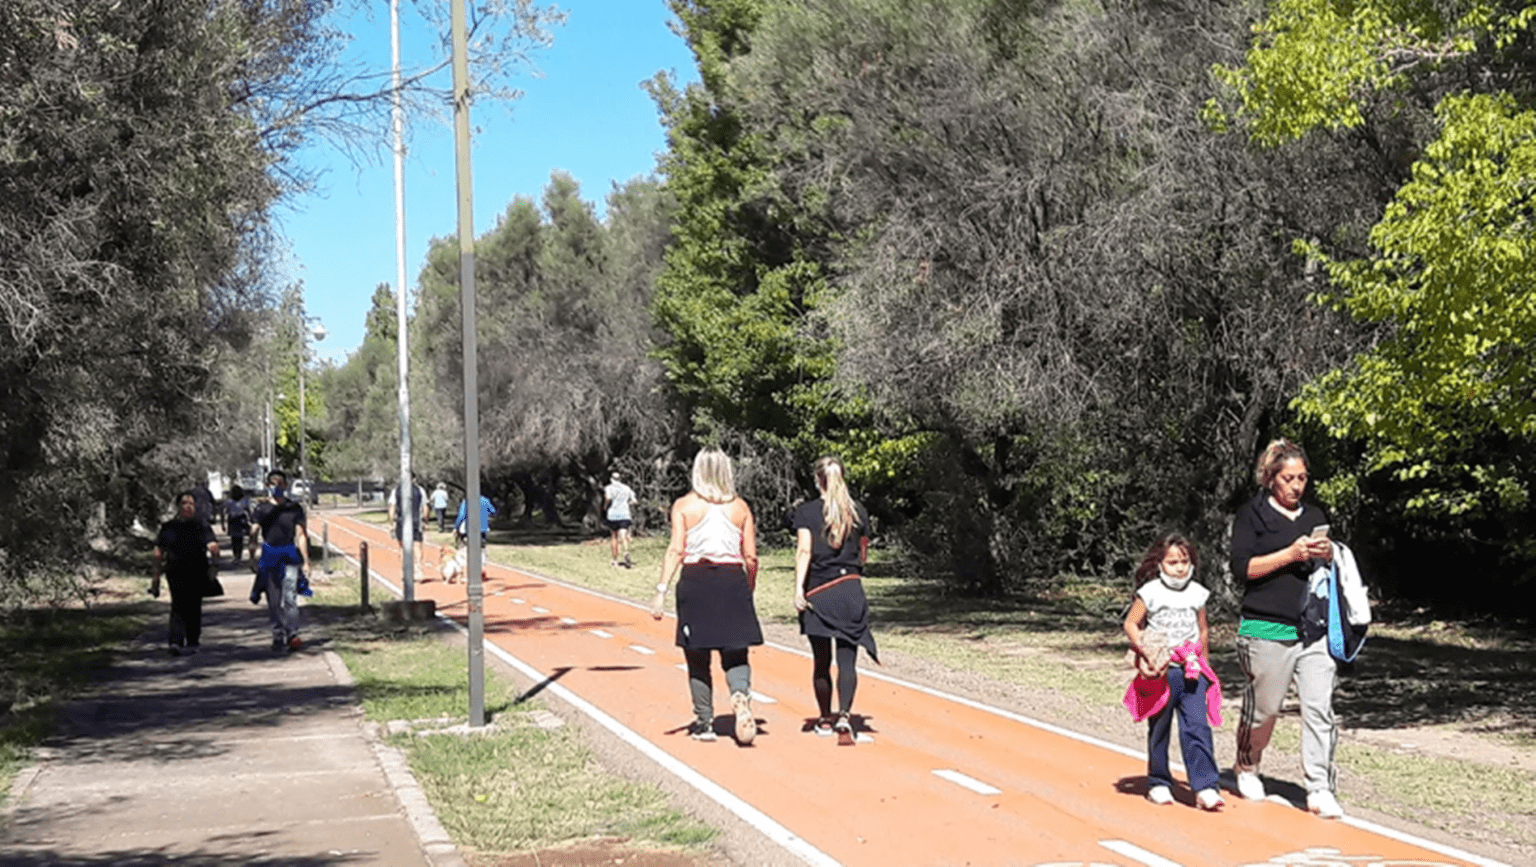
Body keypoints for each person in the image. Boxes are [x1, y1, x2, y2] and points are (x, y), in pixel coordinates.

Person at [1229, 438, 1342, 818]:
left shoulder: (1314, 516)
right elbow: (1244, 569)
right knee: (1265, 708)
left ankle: (1319, 785)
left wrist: (1327, 553)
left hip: (1313, 628)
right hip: (1266, 626)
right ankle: (1247, 765)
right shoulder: (1252, 515)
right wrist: (1289, 555)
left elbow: (1326, 566)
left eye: (1303, 478)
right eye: (1289, 478)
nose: (1297, 486)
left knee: (1318, 707)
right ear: (1270, 478)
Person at [651, 449, 762, 744]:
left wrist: (661, 589)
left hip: (696, 581)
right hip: (731, 580)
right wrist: (748, 586)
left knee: (697, 655)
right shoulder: (740, 508)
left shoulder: (684, 506)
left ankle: (704, 722)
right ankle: (739, 694)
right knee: (736, 651)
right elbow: (750, 556)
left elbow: (676, 549)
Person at [1122, 534, 1225, 810]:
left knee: (1197, 727)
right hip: (1162, 672)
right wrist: (1145, 648)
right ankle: (1158, 781)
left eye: (1184, 561)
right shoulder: (1151, 592)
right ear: (1160, 564)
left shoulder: (1197, 593)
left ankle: (1205, 786)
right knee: (1160, 726)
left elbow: (1202, 630)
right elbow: (1131, 623)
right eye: (1172, 562)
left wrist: (1205, 664)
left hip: (1191, 670)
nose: (1179, 568)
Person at [791, 456, 878, 745]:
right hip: (850, 590)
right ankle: (845, 715)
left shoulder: (806, 512)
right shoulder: (860, 512)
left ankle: (825, 718)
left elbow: (804, 551)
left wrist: (798, 589)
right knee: (847, 660)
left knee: (821, 661)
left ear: (818, 480)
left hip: (820, 591)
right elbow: (863, 554)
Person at [249, 469, 311, 652]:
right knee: (274, 599)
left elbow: (301, 535)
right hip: (270, 556)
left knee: (290, 596)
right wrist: (252, 556)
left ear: (286, 485)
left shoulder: (294, 508)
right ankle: (278, 634)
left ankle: (292, 633)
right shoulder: (261, 509)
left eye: (281, 483)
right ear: (268, 486)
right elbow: (254, 533)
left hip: (289, 554)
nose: (277, 486)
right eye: (273, 483)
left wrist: (306, 560)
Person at [152, 491, 219, 655]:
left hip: (197, 569)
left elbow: (213, 547)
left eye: (191, 504)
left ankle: (193, 640)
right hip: (176, 570)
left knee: (194, 605)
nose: (187, 507)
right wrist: (156, 578)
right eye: (184, 503)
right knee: (178, 604)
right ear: (178, 506)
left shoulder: (201, 526)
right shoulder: (169, 527)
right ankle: (175, 641)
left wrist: (214, 567)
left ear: (196, 507)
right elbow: (158, 552)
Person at [388, 476, 428, 576]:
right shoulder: (420, 490)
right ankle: (418, 570)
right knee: (417, 545)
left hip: (402, 521)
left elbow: (392, 508)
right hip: (416, 521)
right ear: (414, 479)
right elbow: (425, 507)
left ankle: (405, 571)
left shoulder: (396, 490)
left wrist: (392, 522)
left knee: (402, 547)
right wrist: (425, 521)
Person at [604, 471, 637, 568]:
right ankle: (626, 552)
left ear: (611, 479)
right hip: (624, 514)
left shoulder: (609, 488)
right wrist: (628, 504)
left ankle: (615, 560)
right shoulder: (627, 488)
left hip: (613, 515)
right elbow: (635, 501)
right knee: (623, 536)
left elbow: (608, 498)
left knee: (614, 537)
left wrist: (605, 506)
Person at [225, 484, 252, 565]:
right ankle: (236, 556)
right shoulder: (229, 501)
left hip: (241, 519)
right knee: (234, 539)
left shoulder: (244, 500)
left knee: (240, 539)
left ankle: (238, 557)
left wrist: (250, 519)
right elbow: (226, 512)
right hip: (233, 520)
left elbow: (248, 510)